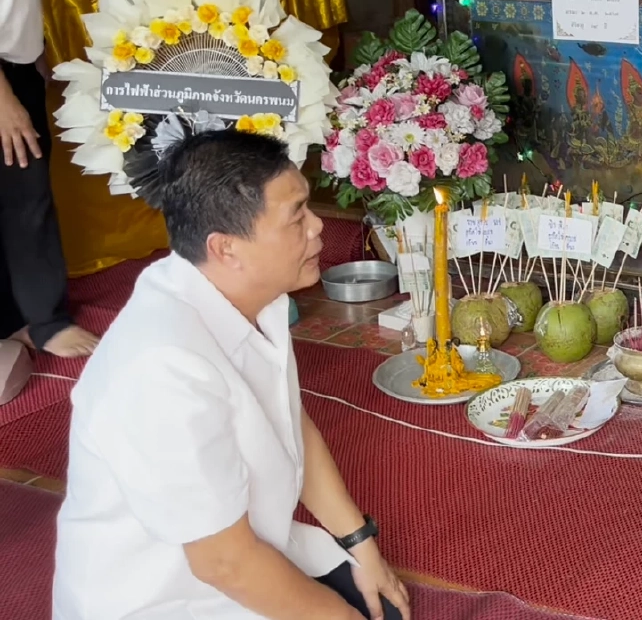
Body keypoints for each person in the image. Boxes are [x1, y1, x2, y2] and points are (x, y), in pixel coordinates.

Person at [53, 130, 411, 620]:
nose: (318, 230)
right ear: (225, 249)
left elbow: (288, 422)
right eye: (297, 217)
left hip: (248, 548)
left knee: (383, 607)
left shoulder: (251, 294)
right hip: (170, 598)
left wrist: (361, 544)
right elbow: (224, 563)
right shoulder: (161, 366)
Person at [0, 0, 99, 359]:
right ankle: (46, 320)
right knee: (27, 195)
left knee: (22, 194)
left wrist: (35, 59)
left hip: (18, 66)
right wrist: (5, 100)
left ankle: (15, 317)